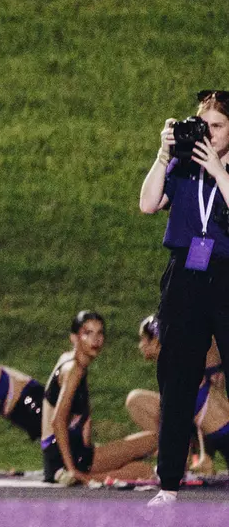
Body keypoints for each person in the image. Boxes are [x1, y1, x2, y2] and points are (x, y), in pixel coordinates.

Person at [140, 91, 229, 506]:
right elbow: (147, 204)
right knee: (175, 381)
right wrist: (162, 156)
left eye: (218, 126)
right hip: (185, 277)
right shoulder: (183, 165)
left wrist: (218, 170)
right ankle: (169, 484)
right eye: (203, 125)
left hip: (226, 276)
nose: (207, 134)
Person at [40, 310, 156, 486]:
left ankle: (79, 475)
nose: (96, 339)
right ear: (74, 338)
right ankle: (78, 477)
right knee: (148, 456)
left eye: (99, 333)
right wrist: (72, 469)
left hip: (72, 454)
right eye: (88, 333)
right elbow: (58, 421)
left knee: (145, 457)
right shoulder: (74, 369)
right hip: (66, 459)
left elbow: (81, 417)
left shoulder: (72, 361)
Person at [127, 316, 226, 476]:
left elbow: (208, 403)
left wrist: (205, 459)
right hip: (203, 419)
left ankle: (189, 459)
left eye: (143, 339)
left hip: (216, 425)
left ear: (156, 340)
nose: (140, 345)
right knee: (137, 400)